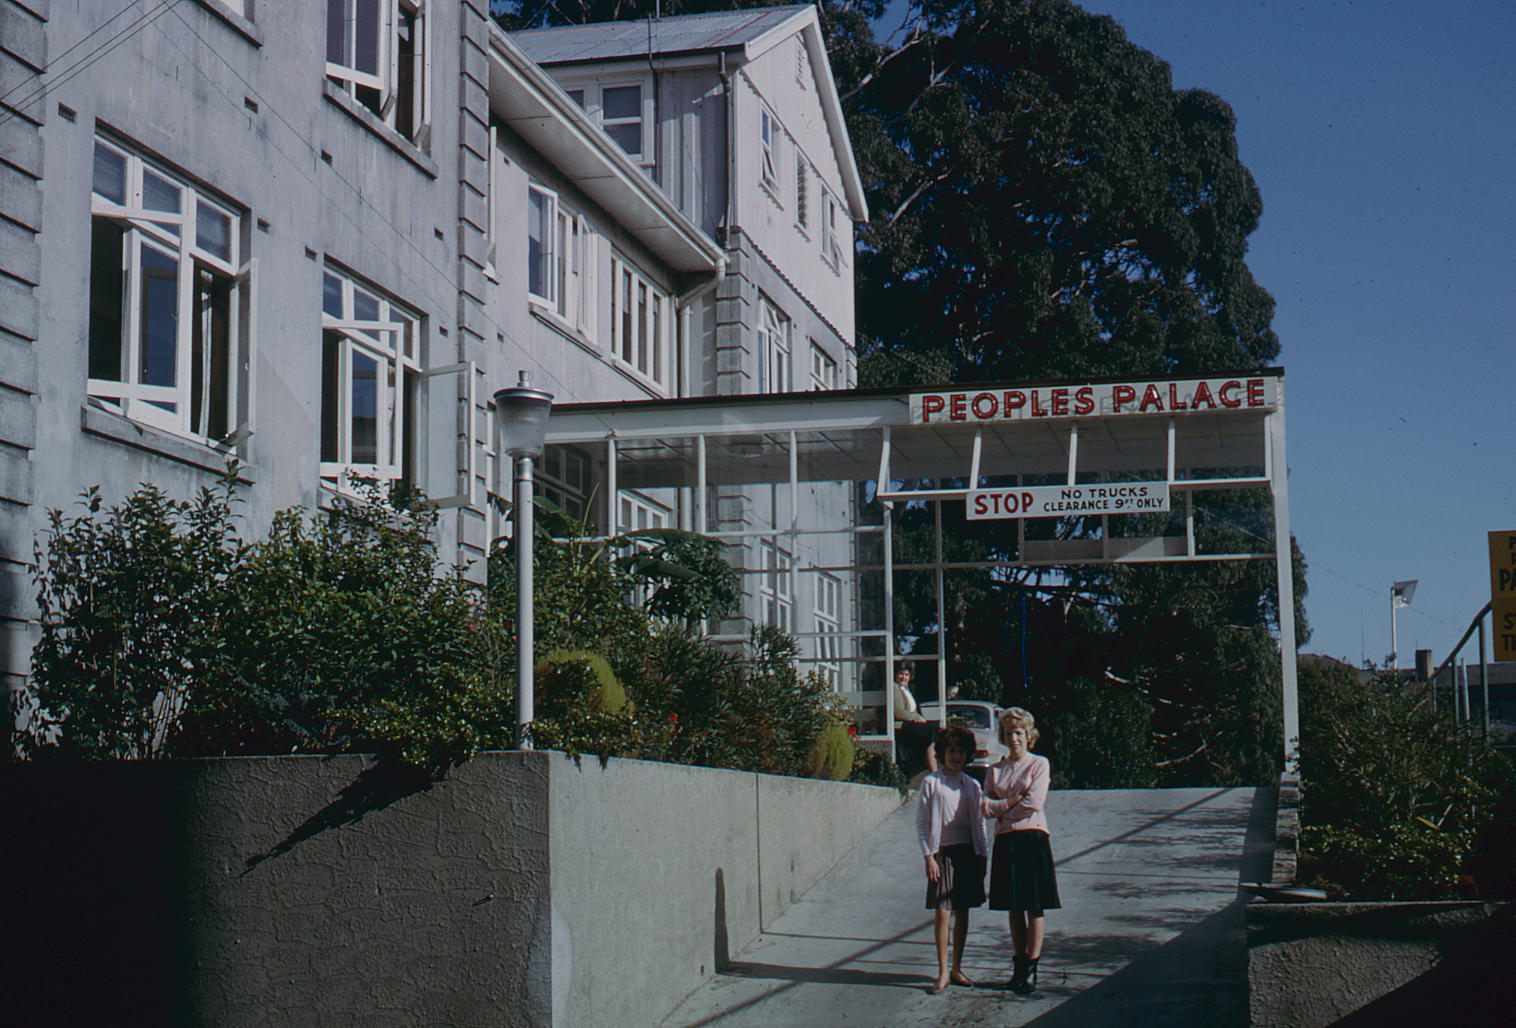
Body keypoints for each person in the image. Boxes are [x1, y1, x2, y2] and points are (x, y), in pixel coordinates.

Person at [982, 707, 1061, 995]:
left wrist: (1002, 809)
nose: (1014, 738)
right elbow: (985, 807)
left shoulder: (1039, 764)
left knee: (1034, 905)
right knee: (1013, 906)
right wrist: (1009, 803)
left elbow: (1034, 804)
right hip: (1006, 840)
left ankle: (1032, 968)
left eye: (1019, 733)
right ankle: (1017, 966)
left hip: (1033, 838)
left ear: (1028, 736)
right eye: (1009, 733)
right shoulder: (995, 770)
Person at [915, 723, 988, 994]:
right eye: (951, 750)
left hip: (967, 853)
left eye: (961, 751)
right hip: (942, 854)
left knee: (963, 912)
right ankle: (943, 972)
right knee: (943, 913)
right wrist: (929, 857)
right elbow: (923, 823)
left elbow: (979, 825)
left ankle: (957, 967)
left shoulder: (972, 785)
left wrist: (982, 855)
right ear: (942, 753)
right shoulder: (931, 783)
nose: (956, 756)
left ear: (967, 755)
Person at [892, 665, 938, 773]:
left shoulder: (906, 689)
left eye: (906, 675)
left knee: (936, 730)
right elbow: (899, 712)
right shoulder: (893, 687)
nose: (904, 677)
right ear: (895, 675)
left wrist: (918, 718)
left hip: (909, 724)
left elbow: (913, 710)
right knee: (930, 731)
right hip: (899, 726)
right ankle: (934, 772)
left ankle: (935, 770)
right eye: (901, 674)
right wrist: (916, 718)